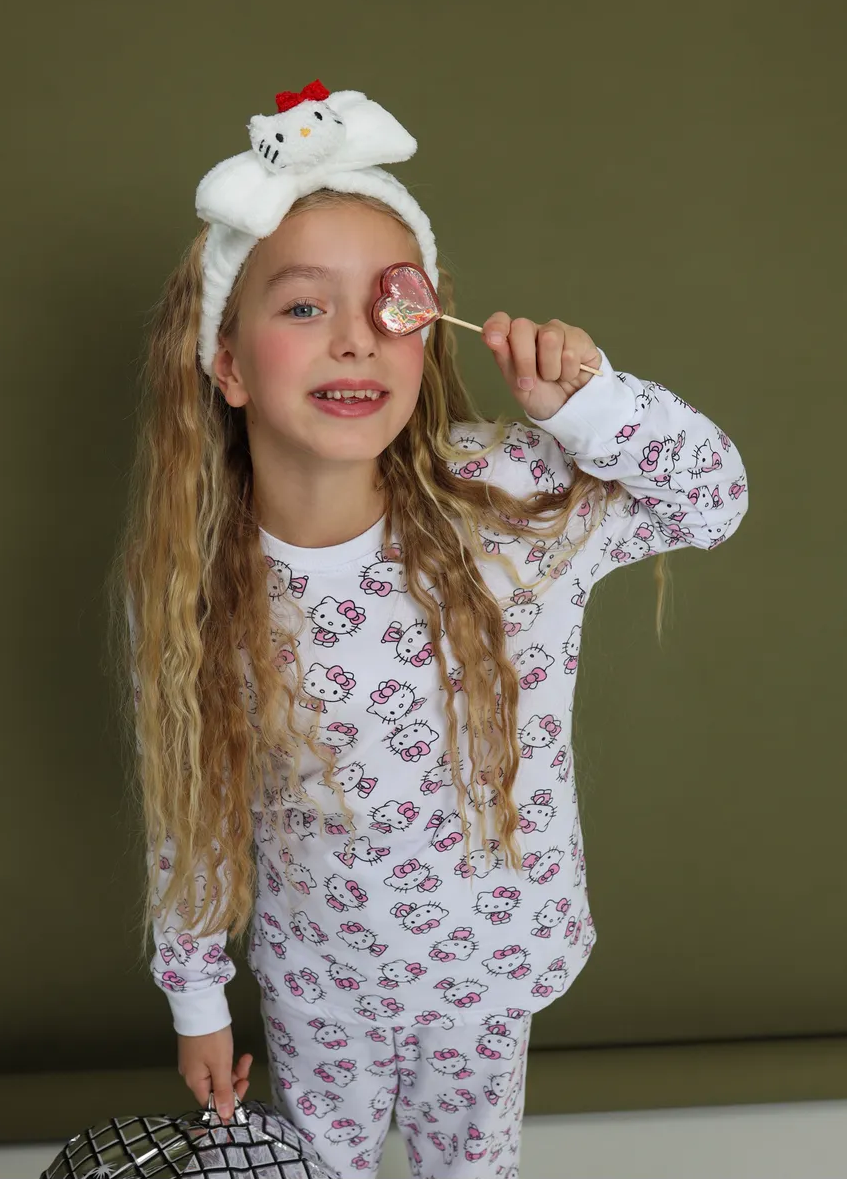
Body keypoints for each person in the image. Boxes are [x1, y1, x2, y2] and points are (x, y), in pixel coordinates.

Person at [113, 79, 748, 1179]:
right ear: (226, 362)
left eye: (391, 304)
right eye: (303, 308)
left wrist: (591, 406)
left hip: (488, 976)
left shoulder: (506, 498)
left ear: (428, 329)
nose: (355, 342)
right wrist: (198, 998)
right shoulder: (190, 582)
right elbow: (192, 803)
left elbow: (714, 500)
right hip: (320, 987)